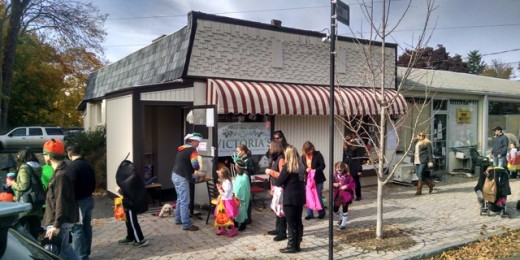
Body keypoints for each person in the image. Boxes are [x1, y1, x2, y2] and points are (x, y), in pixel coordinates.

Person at [42, 139, 80, 259]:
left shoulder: (61, 175)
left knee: (61, 251)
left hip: (57, 221)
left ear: (49, 156)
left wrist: (56, 225)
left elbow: (61, 200)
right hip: (58, 219)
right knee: (63, 250)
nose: (44, 157)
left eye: (44, 154)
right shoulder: (62, 170)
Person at [6, 148, 44, 240]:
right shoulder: (37, 166)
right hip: (35, 201)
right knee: (34, 228)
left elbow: (24, 186)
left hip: (26, 202)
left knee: (22, 231)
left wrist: (12, 183)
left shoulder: (24, 168)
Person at [273, 145, 306, 253]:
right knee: (298, 221)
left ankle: (291, 246)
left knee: (291, 223)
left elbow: (278, 182)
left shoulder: (287, 167)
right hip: (300, 197)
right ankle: (297, 244)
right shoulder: (301, 165)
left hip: (289, 198)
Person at [68, 144, 96, 259]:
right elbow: (94, 183)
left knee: (77, 229)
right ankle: (86, 251)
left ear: (69, 154)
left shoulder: (72, 167)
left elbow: (71, 186)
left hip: (78, 201)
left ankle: (81, 256)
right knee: (86, 227)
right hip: (89, 199)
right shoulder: (88, 166)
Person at [171, 132, 203, 231]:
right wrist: (198, 168)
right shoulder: (192, 150)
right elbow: (195, 164)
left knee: (180, 199)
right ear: (192, 141)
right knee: (185, 201)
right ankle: (186, 224)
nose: (198, 144)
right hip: (182, 176)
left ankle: (178, 219)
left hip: (175, 175)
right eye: (197, 141)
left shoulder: (182, 149)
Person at [116, 159, 149, 248]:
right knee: (127, 220)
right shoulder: (133, 177)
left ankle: (139, 240)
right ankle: (130, 236)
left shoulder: (130, 180)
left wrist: (119, 191)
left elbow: (129, 193)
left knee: (132, 221)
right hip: (129, 202)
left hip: (131, 203)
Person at [265, 140, 287, 241]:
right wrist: (271, 188)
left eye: (270, 147)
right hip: (275, 187)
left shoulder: (281, 159)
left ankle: (282, 232)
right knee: (276, 209)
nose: (268, 149)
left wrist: (271, 171)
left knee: (281, 210)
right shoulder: (274, 158)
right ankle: (278, 229)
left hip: (281, 188)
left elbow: (282, 175)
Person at [301, 141, 326, 220]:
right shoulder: (303, 156)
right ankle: (310, 214)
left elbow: (323, 165)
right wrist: (306, 169)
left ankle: (321, 212)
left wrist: (315, 170)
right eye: (308, 150)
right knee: (309, 196)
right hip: (308, 180)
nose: (310, 151)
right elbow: (302, 167)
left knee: (318, 196)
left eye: (311, 149)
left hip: (318, 179)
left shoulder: (318, 154)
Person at [214, 167, 239, 237]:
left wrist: (219, 190)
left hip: (227, 202)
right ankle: (223, 229)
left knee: (229, 217)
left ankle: (233, 231)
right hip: (223, 201)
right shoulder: (225, 181)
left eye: (219, 174)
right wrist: (221, 188)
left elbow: (226, 194)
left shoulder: (227, 183)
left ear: (223, 175)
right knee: (221, 215)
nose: (218, 175)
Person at [234, 144, 255, 225]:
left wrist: (245, 167)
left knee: (247, 199)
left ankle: (248, 218)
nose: (237, 153)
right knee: (240, 200)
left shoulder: (249, 159)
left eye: (238, 151)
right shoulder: (240, 158)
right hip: (240, 180)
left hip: (246, 181)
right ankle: (241, 216)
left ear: (243, 151)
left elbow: (253, 171)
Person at [332, 162, 356, 230]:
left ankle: (343, 224)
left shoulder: (348, 176)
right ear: (336, 169)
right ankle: (340, 218)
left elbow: (353, 185)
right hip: (338, 196)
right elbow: (331, 183)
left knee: (345, 209)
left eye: (341, 168)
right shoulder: (334, 176)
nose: (339, 170)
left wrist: (346, 186)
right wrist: (333, 184)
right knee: (335, 209)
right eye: (338, 168)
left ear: (343, 168)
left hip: (346, 196)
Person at [232, 158, 251, 231]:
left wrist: (239, 195)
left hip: (242, 197)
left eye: (236, 166)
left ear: (238, 167)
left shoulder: (245, 176)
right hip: (236, 195)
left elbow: (244, 187)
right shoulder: (238, 175)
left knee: (242, 210)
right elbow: (236, 184)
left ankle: (243, 224)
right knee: (236, 209)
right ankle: (236, 222)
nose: (235, 167)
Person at [342, 136, 364, 200]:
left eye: (349, 140)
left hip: (355, 167)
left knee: (356, 182)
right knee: (348, 182)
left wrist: (359, 170)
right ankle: (349, 195)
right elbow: (343, 158)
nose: (348, 142)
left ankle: (358, 196)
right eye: (346, 141)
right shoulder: (345, 148)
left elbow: (359, 160)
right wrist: (343, 167)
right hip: (347, 167)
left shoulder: (356, 148)